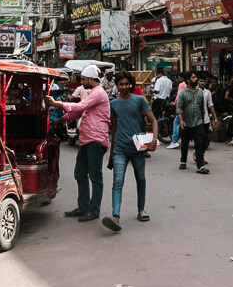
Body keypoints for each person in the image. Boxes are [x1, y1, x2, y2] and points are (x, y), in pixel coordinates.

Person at [45, 65, 111, 221]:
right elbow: (80, 111)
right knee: (80, 173)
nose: (81, 82)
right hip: (86, 139)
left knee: (95, 176)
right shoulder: (91, 93)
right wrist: (61, 120)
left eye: (83, 79)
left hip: (96, 139)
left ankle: (93, 210)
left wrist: (57, 104)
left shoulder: (99, 93)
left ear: (90, 79)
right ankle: (83, 207)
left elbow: (80, 106)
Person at [104, 71, 158, 231]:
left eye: (127, 84)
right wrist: (112, 152)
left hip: (138, 148)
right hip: (120, 148)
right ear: (117, 86)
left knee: (140, 179)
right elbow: (114, 128)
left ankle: (141, 209)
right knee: (117, 182)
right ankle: (115, 217)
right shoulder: (113, 104)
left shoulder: (139, 100)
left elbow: (153, 119)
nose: (124, 86)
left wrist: (154, 139)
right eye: (121, 84)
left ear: (131, 85)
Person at [175, 71, 208, 173]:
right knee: (185, 143)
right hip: (186, 122)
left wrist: (202, 122)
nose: (196, 79)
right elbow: (179, 108)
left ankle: (200, 166)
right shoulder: (183, 93)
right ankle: (183, 160)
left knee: (199, 143)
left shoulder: (199, 92)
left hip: (197, 122)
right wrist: (181, 121)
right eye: (193, 77)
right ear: (188, 80)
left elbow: (202, 109)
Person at [198, 72, 221, 151]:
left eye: (204, 81)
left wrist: (215, 118)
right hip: (196, 119)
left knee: (205, 138)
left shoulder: (207, 92)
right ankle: (198, 155)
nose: (203, 83)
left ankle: (200, 154)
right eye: (201, 81)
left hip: (205, 119)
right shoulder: (194, 91)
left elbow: (210, 105)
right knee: (199, 138)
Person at [167, 74, 187, 149]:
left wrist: (174, 103)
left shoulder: (182, 85)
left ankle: (174, 141)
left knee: (176, 122)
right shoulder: (193, 85)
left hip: (182, 107)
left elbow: (178, 95)